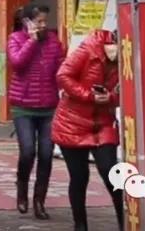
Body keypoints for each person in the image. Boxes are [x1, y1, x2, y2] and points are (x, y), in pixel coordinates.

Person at [51, 28, 124, 231]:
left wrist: (110, 97)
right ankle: (80, 225)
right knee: (79, 176)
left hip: (103, 123)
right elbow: (63, 76)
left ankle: (125, 223)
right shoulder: (89, 49)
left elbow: (128, 90)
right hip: (71, 123)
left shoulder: (129, 57)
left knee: (111, 173)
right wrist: (89, 95)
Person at [6, 3, 62, 220]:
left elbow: (61, 68)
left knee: (46, 154)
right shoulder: (16, 39)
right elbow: (17, 63)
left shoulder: (54, 41)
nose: (43, 25)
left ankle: (40, 200)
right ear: (27, 22)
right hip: (23, 106)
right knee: (28, 150)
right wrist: (32, 40)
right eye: (39, 21)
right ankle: (22, 190)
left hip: (49, 107)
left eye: (45, 21)